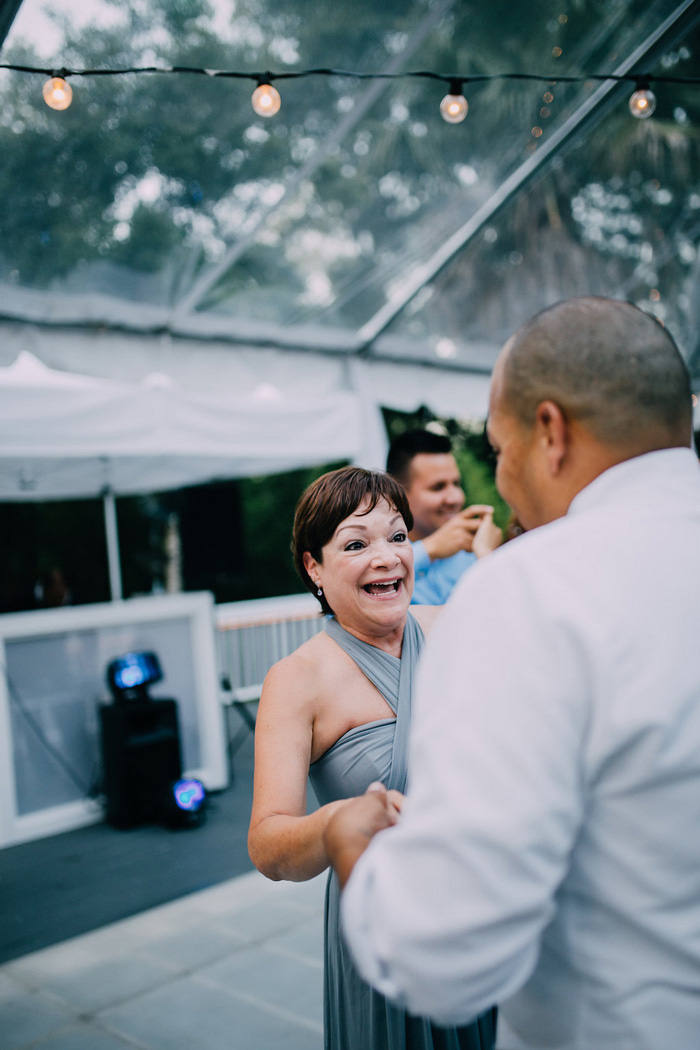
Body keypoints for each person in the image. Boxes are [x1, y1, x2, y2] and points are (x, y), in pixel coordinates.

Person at [324, 297, 700, 1050]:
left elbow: (441, 958)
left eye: (498, 448)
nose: (497, 479)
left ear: (551, 433)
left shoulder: (533, 589)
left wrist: (353, 855)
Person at [248, 465, 496, 1050]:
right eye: (357, 544)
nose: (386, 557)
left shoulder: (456, 628)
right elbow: (267, 843)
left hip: (487, 904)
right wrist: (336, 823)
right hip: (390, 924)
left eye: (398, 537)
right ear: (314, 567)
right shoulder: (296, 680)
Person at [386, 429, 502, 603]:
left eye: (456, 484)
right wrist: (429, 549)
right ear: (397, 493)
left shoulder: (472, 557)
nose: (455, 498)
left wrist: (488, 559)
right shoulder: (373, 556)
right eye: (438, 487)